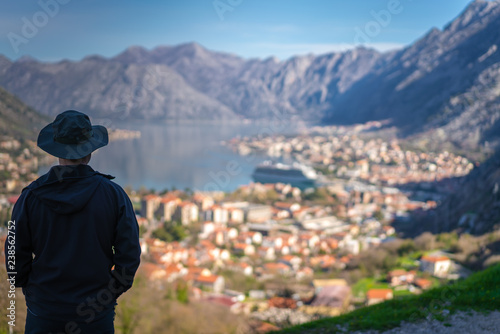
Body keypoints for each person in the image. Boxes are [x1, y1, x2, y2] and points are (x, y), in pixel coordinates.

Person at [4, 110, 141, 333]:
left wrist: (30, 287)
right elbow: (130, 255)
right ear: (89, 151)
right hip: (95, 315)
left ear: (56, 149)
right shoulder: (114, 195)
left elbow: (14, 255)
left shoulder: (30, 197)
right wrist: (109, 294)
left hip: (44, 312)